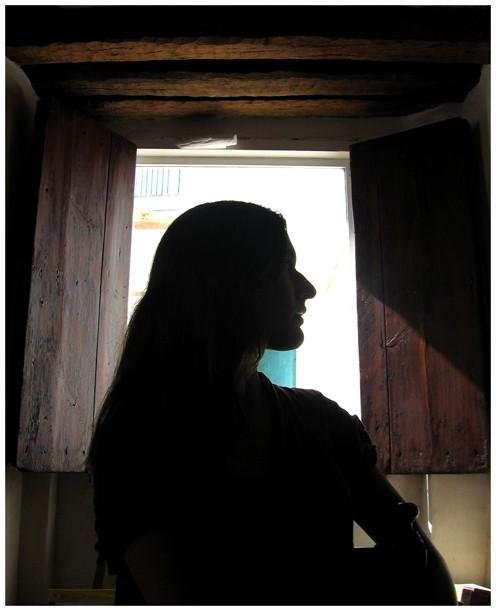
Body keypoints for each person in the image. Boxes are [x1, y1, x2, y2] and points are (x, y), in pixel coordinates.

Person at [88, 200, 457, 605]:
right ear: (231, 283)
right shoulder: (137, 439)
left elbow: (430, 575)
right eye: (286, 267)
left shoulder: (325, 421)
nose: (307, 289)